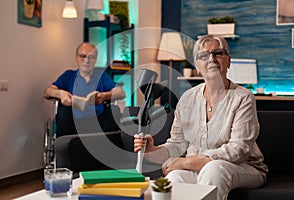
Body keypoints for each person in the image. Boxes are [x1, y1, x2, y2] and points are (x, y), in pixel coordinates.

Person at [134, 35, 268, 200]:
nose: (211, 59)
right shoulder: (187, 99)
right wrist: (152, 151)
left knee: (214, 169)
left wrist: (187, 162)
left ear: (228, 60)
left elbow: (238, 150)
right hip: (201, 169)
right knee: (174, 177)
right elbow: (177, 145)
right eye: (204, 56)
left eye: (218, 53)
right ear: (196, 65)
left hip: (243, 167)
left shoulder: (243, 98)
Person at [44, 42, 125, 136]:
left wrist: (104, 96)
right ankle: (67, 147)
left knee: (114, 109)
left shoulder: (101, 76)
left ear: (95, 59)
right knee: (64, 110)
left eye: (91, 57)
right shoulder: (69, 76)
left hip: (98, 122)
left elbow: (121, 92)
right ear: (76, 57)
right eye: (83, 56)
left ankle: (107, 146)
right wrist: (60, 94)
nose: (86, 60)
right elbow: (47, 92)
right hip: (72, 123)